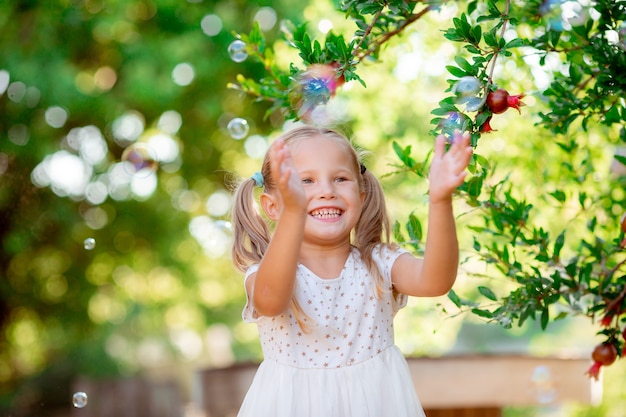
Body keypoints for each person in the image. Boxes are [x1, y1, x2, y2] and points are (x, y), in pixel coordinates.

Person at [230, 125, 472, 417]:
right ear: (272, 207)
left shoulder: (379, 263)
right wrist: (293, 212)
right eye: (305, 181)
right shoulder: (265, 273)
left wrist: (440, 200)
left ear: (361, 192)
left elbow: (435, 281)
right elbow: (269, 301)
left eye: (340, 178)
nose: (326, 191)